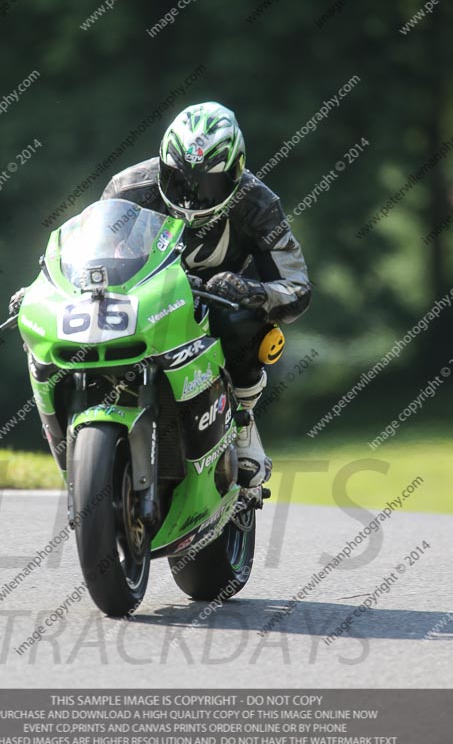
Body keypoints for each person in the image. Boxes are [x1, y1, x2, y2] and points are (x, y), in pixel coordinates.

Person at [98, 101, 312, 489]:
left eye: (207, 183)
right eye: (181, 180)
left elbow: (295, 289)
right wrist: (44, 286)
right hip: (138, 302)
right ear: (164, 165)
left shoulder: (258, 204)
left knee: (247, 323)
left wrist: (250, 290)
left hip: (216, 304)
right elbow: (90, 255)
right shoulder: (127, 189)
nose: (193, 195)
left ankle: (243, 420)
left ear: (235, 171)